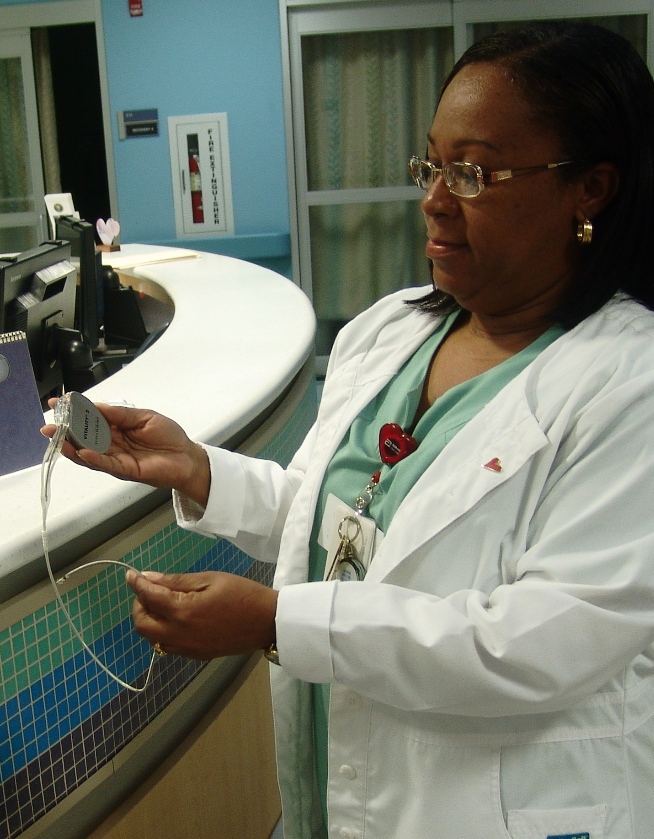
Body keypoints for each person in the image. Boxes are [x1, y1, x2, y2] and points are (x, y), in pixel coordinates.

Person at [44, 21, 654, 839]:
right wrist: (197, 470)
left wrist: (274, 622)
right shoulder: (394, 330)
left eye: (473, 172)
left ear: (591, 189)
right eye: (431, 164)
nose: (434, 198)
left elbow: (543, 641)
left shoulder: (629, 385)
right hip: (346, 785)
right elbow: (346, 521)